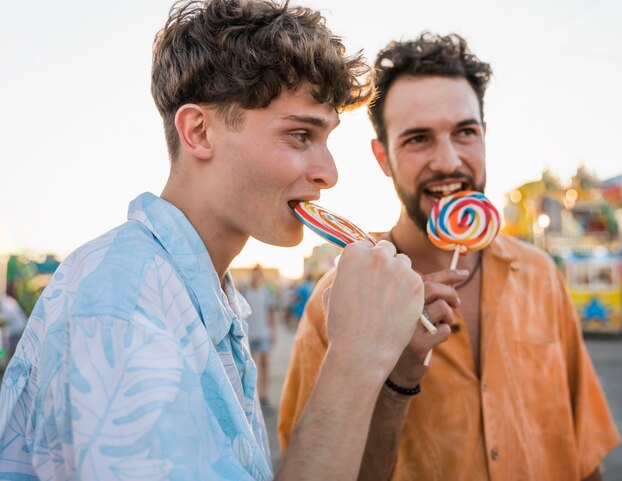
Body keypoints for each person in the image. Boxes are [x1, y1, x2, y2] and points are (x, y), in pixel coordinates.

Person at [0, 2, 453, 480]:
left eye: (327, 140)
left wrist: (394, 373)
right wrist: (354, 358)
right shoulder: (122, 306)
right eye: (300, 135)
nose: (329, 174)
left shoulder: (201, 291)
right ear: (199, 132)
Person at [278, 33, 620, 481]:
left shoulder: (540, 275)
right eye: (418, 139)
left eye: (465, 132)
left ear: (484, 136)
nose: (448, 160)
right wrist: (396, 380)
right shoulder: (338, 302)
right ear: (382, 157)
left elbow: (581, 453)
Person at [241, 265, 276, 408]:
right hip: (249, 334)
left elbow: (270, 312)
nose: (256, 277)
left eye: (258, 274)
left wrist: (273, 330)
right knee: (249, 368)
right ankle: (251, 398)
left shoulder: (265, 293)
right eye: (254, 274)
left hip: (263, 333)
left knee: (264, 365)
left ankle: (264, 395)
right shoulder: (245, 293)